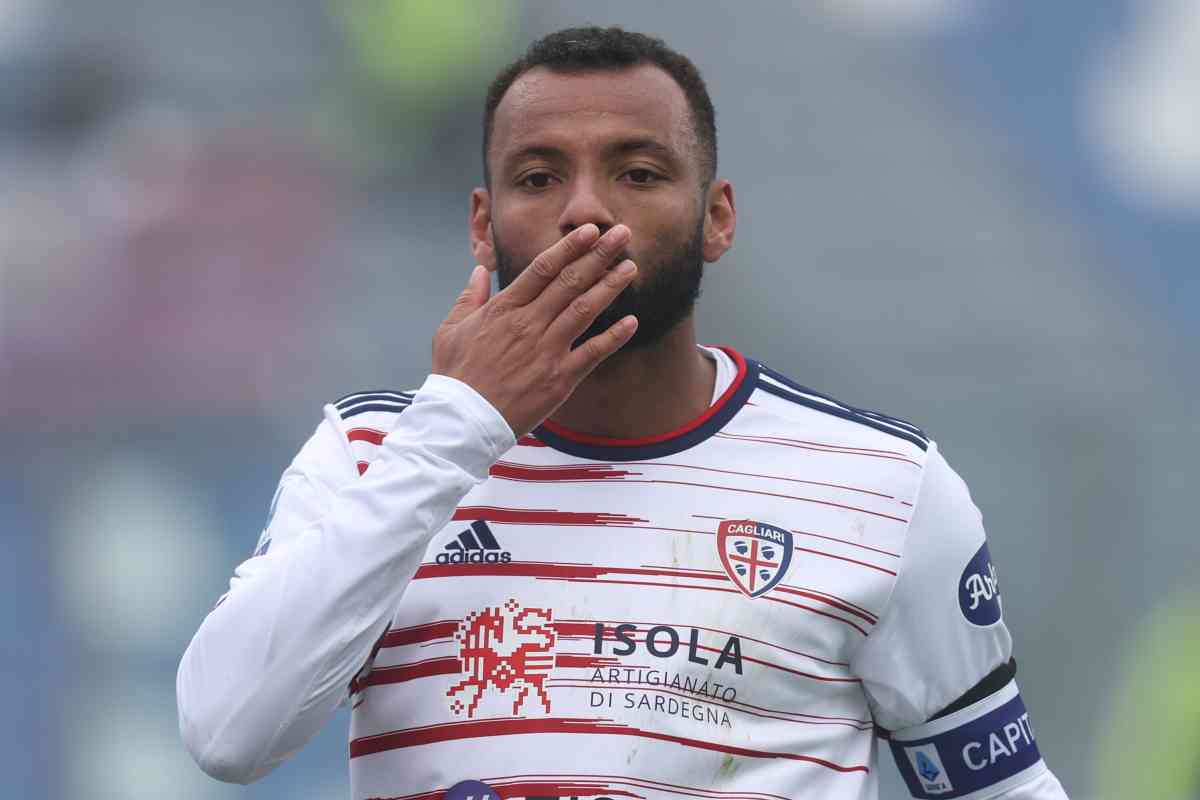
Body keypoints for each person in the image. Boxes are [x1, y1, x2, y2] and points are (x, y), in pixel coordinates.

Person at [177, 26, 1069, 800]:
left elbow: (1004, 787)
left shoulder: (882, 486)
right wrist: (460, 425)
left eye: (638, 173)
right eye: (539, 177)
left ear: (716, 218)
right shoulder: (371, 452)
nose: (585, 210)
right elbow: (228, 733)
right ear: (483, 225)